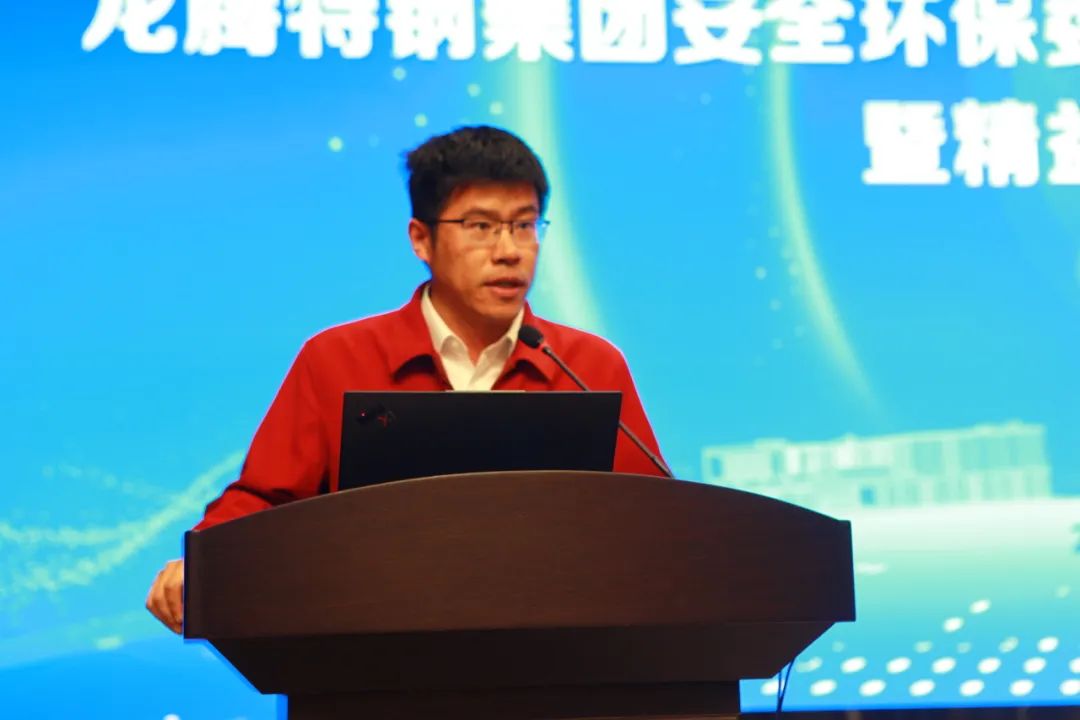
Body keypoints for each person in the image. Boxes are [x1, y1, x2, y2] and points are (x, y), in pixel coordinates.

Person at [145, 125, 667, 634]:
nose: (509, 250)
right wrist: (204, 563)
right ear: (421, 238)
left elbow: (652, 517)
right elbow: (265, 500)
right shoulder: (338, 358)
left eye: (525, 225)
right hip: (372, 645)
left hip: (554, 648)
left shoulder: (588, 364)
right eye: (481, 226)